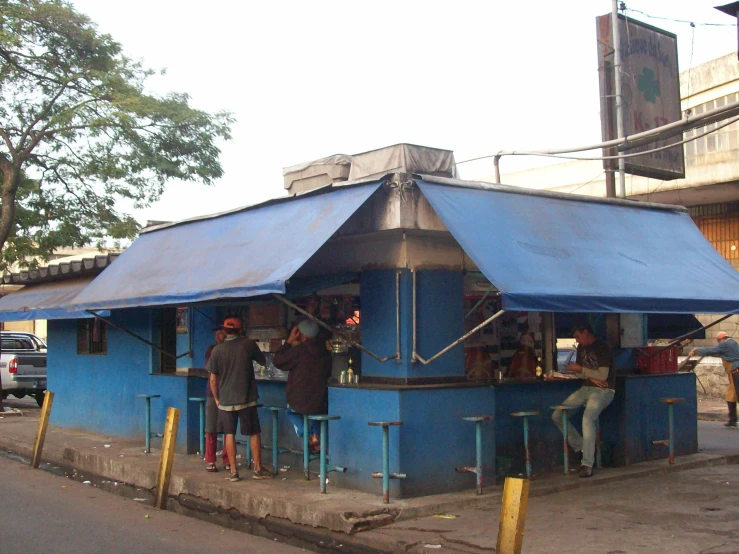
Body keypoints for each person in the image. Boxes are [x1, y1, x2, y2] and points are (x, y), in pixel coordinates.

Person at [206, 317, 274, 481]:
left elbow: (213, 379)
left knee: (229, 434)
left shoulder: (217, 350)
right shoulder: (248, 344)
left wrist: (217, 398)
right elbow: (263, 361)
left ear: (224, 331)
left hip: (226, 400)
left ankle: (234, 472)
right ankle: (258, 470)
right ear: (240, 330)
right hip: (247, 398)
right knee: (253, 433)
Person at [551, 324, 615, 478]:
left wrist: (582, 371)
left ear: (586, 333)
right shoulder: (580, 348)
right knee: (558, 415)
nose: (577, 340)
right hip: (585, 388)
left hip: (604, 390)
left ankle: (587, 464)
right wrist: (589, 376)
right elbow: (582, 375)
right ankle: (581, 448)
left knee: (588, 418)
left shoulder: (603, 347)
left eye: (578, 336)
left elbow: (603, 376)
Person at [273, 319, 333, 453]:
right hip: (320, 401)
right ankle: (316, 434)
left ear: (302, 335)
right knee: (318, 412)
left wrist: (288, 341)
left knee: (291, 411)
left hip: (298, 400)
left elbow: (278, 361)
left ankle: (307, 435)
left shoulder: (298, 351)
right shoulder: (326, 353)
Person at [689, 331, 739, 427]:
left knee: (737, 393)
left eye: (718, 341)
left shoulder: (726, 344)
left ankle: (733, 420)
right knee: (731, 395)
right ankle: (732, 421)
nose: (718, 343)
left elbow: (712, 350)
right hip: (733, 372)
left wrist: (696, 350)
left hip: (735, 371)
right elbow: (717, 353)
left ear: (721, 339)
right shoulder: (731, 344)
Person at [203, 329, 229, 472]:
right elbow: (210, 368)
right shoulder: (211, 350)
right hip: (212, 393)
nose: (220, 336)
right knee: (211, 428)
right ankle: (211, 460)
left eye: (223, 333)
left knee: (227, 429)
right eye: (218, 334)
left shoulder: (231, 350)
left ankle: (227, 459)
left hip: (228, 392)